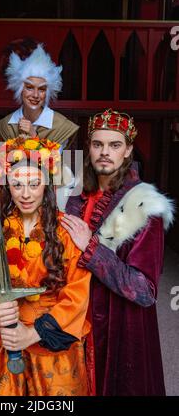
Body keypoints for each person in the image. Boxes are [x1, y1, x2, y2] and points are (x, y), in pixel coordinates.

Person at [0, 136, 91, 396]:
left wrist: (33, 333)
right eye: (17, 184)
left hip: (52, 349)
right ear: (7, 185)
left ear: (46, 184)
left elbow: (78, 294)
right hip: (6, 342)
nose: (25, 194)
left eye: (34, 184)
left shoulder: (66, 232)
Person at [63, 108, 175, 396]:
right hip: (75, 317)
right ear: (89, 148)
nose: (105, 152)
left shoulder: (145, 206)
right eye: (98, 144)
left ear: (128, 151)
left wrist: (92, 247)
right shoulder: (76, 200)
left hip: (119, 327)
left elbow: (144, 290)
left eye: (115, 145)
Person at [0, 40, 79, 150]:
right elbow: (0, 164)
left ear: (47, 93)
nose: (35, 95)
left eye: (41, 89)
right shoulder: (5, 125)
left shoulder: (62, 126)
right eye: (29, 88)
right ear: (20, 89)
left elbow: (66, 164)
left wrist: (33, 136)